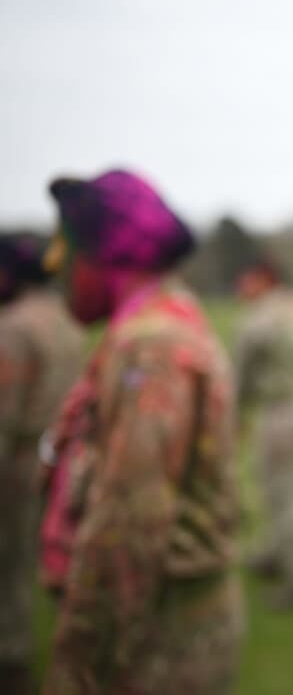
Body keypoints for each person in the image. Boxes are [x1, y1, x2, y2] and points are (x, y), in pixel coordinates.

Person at [41, 169, 244, 694]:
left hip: (156, 640)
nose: (53, 266)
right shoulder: (157, 323)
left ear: (109, 253)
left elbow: (128, 523)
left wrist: (77, 666)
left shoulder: (150, 346)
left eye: (66, 246)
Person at [0, 233, 83, 695]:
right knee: (58, 559)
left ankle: (11, 660)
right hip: (65, 455)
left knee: (10, 563)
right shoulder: (66, 316)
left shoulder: (14, 326)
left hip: (19, 460)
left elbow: (4, 411)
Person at [233, 257, 293, 608]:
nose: (240, 286)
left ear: (261, 280)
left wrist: (235, 417)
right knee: (290, 488)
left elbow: (241, 378)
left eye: (245, 278)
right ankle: (272, 554)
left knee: (283, 498)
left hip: (280, 413)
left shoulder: (257, 319)